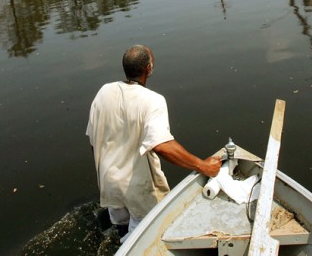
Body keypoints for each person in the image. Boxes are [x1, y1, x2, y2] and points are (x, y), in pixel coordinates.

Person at [86, 44, 221, 238]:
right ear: (148, 69)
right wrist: (203, 166)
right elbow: (162, 145)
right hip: (138, 189)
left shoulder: (103, 92)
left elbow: (93, 140)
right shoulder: (152, 100)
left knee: (122, 231)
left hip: (108, 183)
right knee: (144, 237)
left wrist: (104, 172)